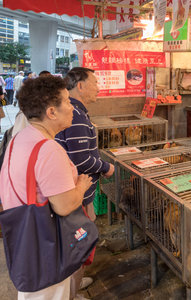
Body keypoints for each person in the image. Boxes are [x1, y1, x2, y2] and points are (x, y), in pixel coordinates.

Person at [0, 76, 93, 300]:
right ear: (51, 112)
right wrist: (81, 185)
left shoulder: (21, 138)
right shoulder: (48, 149)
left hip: (24, 235)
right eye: (67, 102)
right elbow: (63, 206)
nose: (72, 107)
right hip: (46, 242)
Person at [55, 67, 114, 298]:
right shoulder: (75, 116)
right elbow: (81, 159)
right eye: (95, 82)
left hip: (76, 192)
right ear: (80, 86)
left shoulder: (76, 112)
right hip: (76, 194)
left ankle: (74, 286)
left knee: (79, 244)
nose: (99, 87)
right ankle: (71, 293)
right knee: (79, 245)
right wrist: (106, 167)